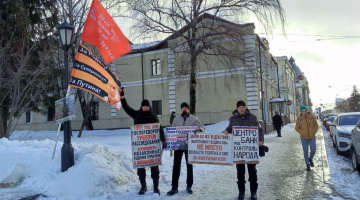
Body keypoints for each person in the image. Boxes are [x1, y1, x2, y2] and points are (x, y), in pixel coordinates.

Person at [119, 88, 166, 195]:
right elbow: (127, 108)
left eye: (147, 106)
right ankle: (143, 186)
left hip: (152, 147)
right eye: (144, 106)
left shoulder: (153, 116)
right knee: (140, 168)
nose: (146, 107)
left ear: (149, 107)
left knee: (154, 166)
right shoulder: (137, 114)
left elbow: (159, 128)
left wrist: (163, 140)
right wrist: (122, 97)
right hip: (140, 147)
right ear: (142, 106)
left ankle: (155, 186)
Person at [223, 100, 263, 200]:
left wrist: (261, 141)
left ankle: (253, 192)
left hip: (250, 150)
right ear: (237, 108)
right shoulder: (233, 118)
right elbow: (229, 129)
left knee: (252, 171)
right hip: (239, 151)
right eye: (240, 107)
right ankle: (241, 192)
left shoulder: (253, 117)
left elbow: (260, 130)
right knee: (240, 172)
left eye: (243, 107)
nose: (242, 109)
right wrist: (226, 132)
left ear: (245, 108)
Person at [167, 102, 205, 196]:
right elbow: (172, 131)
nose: (184, 109)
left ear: (188, 109)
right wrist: (171, 144)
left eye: (186, 107)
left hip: (189, 145)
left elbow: (202, 126)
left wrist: (199, 130)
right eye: (183, 107)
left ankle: (189, 186)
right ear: (181, 109)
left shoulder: (194, 119)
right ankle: (174, 187)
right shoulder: (176, 119)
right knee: (176, 166)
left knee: (189, 166)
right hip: (178, 145)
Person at [295, 105, 318, 171]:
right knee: (305, 151)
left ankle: (310, 158)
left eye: (305, 111)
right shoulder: (299, 119)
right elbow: (297, 128)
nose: (304, 112)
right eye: (303, 111)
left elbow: (316, 125)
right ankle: (307, 164)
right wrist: (302, 133)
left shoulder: (311, 117)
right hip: (304, 138)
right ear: (301, 112)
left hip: (312, 137)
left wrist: (313, 132)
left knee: (313, 149)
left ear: (307, 111)